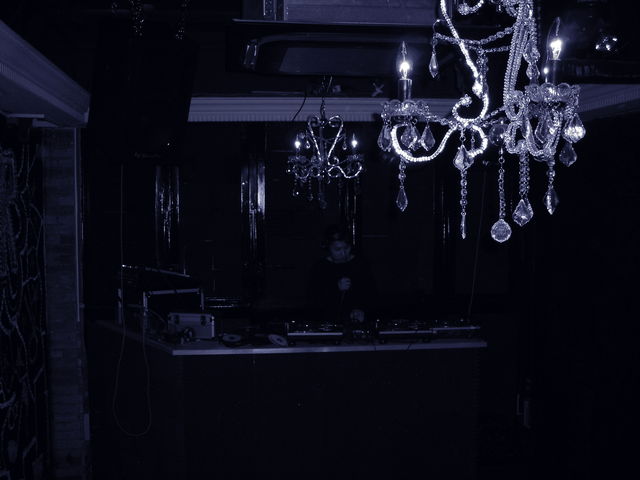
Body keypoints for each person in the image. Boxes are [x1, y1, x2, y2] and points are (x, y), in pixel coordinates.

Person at [307, 226, 376, 326]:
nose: (344, 253)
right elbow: (314, 301)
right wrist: (336, 288)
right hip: (328, 323)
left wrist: (361, 309)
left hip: (357, 323)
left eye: (346, 248)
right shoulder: (320, 268)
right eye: (337, 249)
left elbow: (371, 294)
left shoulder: (360, 264)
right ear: (328, 248)